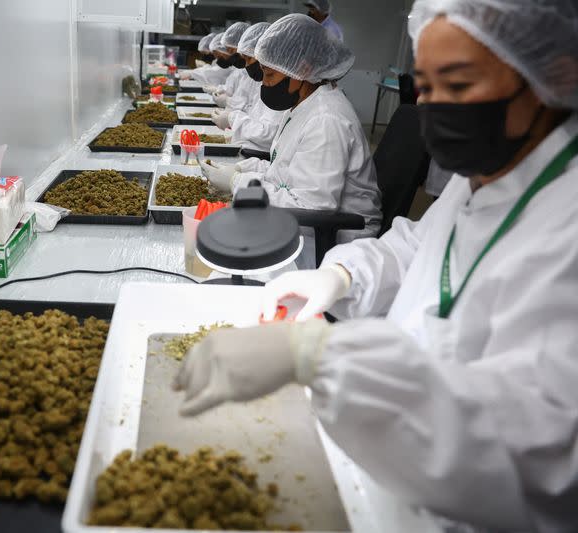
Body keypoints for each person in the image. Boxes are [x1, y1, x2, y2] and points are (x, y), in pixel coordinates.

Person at [175, 0, 578, 530]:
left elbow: (532, 451)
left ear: (553, 76)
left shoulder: (564, 223)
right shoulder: (484, 176)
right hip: (393, 444)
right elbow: (409, 245)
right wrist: (340, 274)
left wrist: (321, 358)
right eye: (425, 89)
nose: (435, 109)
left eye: (457, 86)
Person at [200, 14, 381, 268]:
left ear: (304, 69)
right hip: (305, 224)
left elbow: (312, 208)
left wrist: (237, 183)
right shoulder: (303, 104)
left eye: (270, 75)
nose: (264, 83)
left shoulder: (327, 120)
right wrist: (244, 169)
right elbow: (284, 170)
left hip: (334, 247)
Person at [212, 22, 284, 153]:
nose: (246, 65)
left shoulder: (279, 89)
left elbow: (268, 134)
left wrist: (232, 118)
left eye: (248, 58)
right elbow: (252, 111)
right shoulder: (263, 80)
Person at [209, 22, 250, 108]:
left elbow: (250, 105)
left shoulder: (251, 72)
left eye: (230, 51)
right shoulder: (241, 70)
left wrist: (229, 102)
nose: (221, 57)